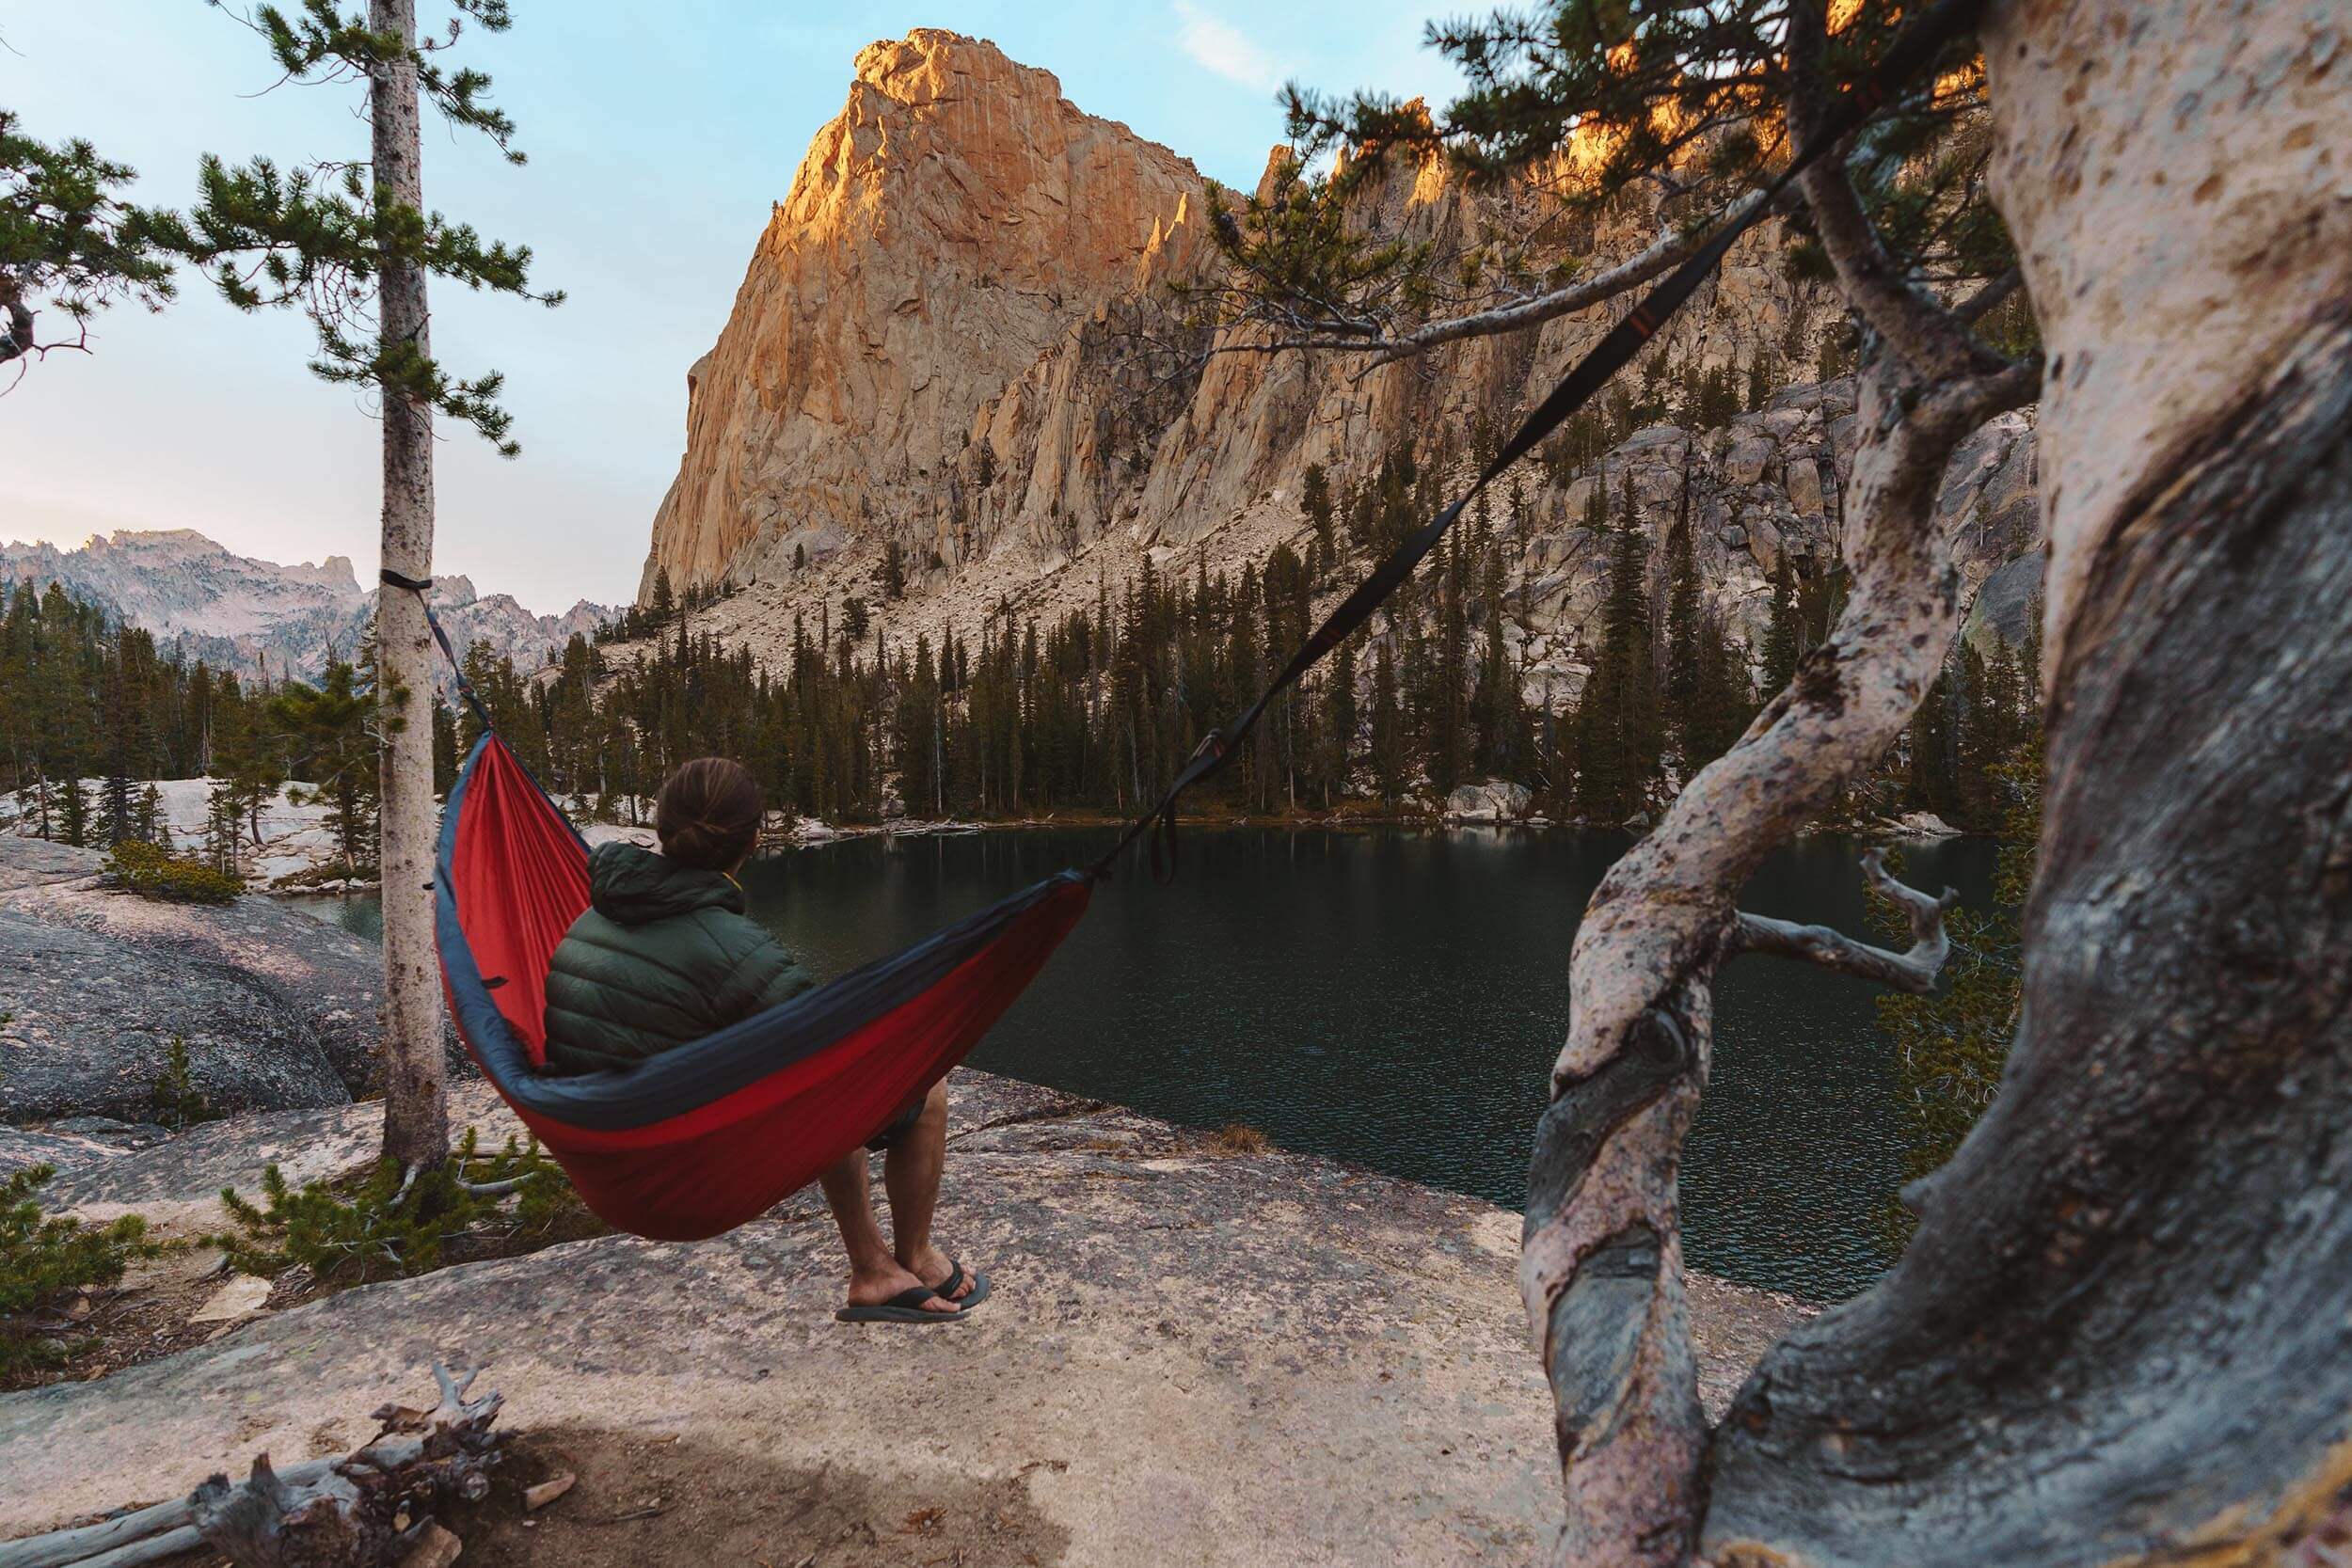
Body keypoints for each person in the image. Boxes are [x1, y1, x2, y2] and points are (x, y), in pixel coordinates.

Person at [540, 756, 985, 1323]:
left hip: (604, 1158)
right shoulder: (731, 948)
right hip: (687, 1172)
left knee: (808, 1084)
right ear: (752, 843)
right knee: (910, 1090)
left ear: (661, 830)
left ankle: (876, 1265)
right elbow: (828, 1053)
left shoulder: (588, 918)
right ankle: (904, 1258)